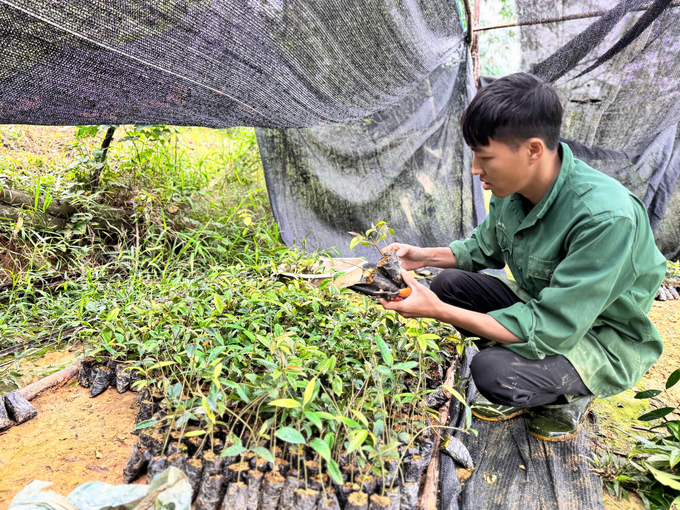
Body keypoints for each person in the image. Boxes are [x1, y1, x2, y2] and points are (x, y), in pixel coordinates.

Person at [379, 72, 666, 441]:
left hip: (600, 337)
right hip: (541, 307)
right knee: (449, 284)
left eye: (485, 158)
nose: (475, 170)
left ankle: (569, 395)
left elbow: (550, 327)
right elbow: (483, 249)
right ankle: (535, 375)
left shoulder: (605, 218)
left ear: (532, 150)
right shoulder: (511, 187)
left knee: (493, 372)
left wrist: (438, 310)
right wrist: (422, 256)